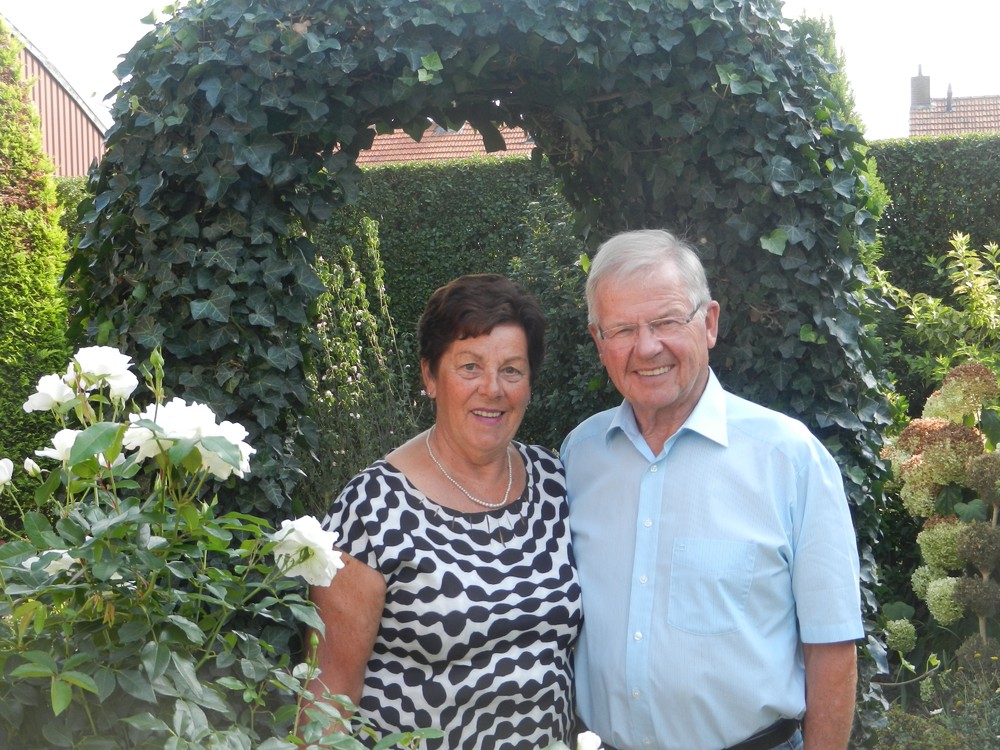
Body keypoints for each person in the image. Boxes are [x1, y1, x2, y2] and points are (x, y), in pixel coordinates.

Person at [560, 229, 863, 750]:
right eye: (623, 329)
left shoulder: (789, 458)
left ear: (710, 323)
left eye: (666, 321)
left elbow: (831, 644)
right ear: (598, 342)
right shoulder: (579, 457)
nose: (647, 347)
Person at [309, 274, 582, 749]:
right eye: (470, 367)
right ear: (430, 377)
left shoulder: (555, 481)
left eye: (512, 370)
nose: (492, 389)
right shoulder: (372, 509)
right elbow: (326, 707)